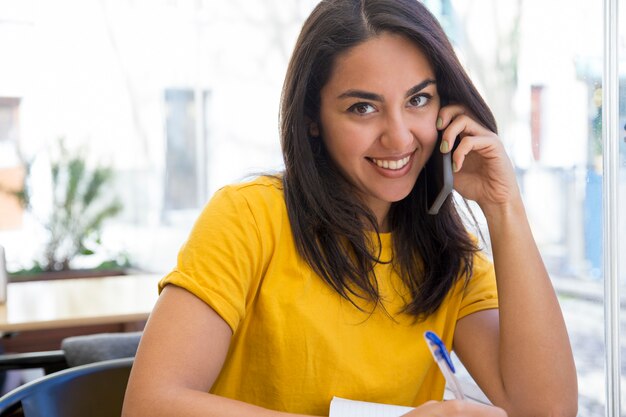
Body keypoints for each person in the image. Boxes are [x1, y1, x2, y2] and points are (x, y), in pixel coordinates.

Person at [122, 1, 578, 416]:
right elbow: (148, 406)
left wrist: (504, 207)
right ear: (312, 121)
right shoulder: (248, 217)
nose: (399, 138)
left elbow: (546, 411)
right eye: (363, 108)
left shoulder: (448, 253)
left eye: (418, 99)